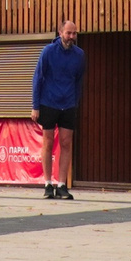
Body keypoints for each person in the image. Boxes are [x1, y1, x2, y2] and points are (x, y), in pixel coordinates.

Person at [31, 18, 84, 201]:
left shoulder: (79, 55)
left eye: (74, 33)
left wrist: (75, 102)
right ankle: (47, 184)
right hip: (48, 103)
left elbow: (78, 81)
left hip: (68, 104)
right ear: (60, 33)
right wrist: (35, 106)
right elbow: (38, 78)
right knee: (48, 143)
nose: (71, 36)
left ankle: (62, 185)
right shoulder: (48, 52)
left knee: (66, 143)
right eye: (68, 33)